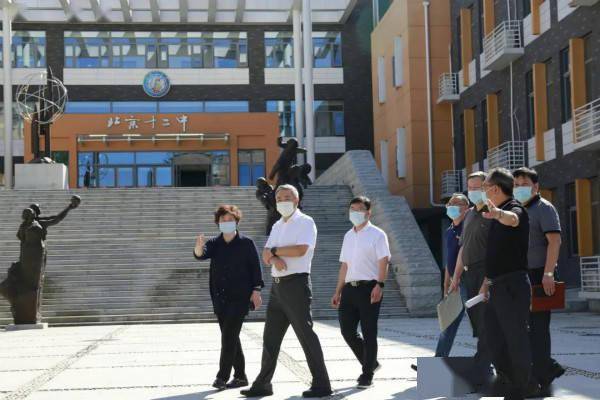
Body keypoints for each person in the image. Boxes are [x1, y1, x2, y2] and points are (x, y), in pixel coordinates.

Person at [241, 184, 332, 398]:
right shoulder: (277, 224)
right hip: (277, 286)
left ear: (297, 200)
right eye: (279, 198)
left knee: (306, 335)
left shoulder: (305, 222)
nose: (283, 201)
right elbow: (265, 253)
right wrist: (274, 258)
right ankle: (263, 384)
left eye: (287, 197)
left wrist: (274, 251)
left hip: (296, 285)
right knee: (270, 338)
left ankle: (322, 384)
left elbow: (300, 250)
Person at [194, 205, 264, 391]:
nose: (226, 223)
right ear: (218, 222)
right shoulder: (214, 243)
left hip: (240, 298)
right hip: (219, 297)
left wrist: (256, 290)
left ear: (236, 221)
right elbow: (201, 255)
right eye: (223, 220)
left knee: (228, 337)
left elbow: (256, 268)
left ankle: (222, 377)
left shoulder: (247, 243)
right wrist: (198, 248)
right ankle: (240, 376)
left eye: (230, 220)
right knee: (231, 337)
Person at [478, 168, 533, 400]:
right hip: (496, 285)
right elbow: (495, 254)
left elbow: (513, 220)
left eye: (484, 187)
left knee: (515, 338)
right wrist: (486, 283)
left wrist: (499, 213)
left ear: (495, 189)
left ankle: (521, 389)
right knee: (493, 338)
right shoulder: (495, 216)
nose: (482, 191)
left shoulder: (514, 209)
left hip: (513, 285)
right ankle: (509, 380)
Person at [513, 167, 565, 394]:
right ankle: (546, 368)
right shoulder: (518, 209)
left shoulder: (544, 208)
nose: (519, 188)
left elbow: (554, 242)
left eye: (524, 184)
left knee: (539, 328)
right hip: (522, 275)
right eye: (516, 185)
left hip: (539, 276)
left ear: (535, 186)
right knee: (525, 328)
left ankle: (542, 375)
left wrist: (548, 274)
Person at [331, 196, 391, 389]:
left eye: (359, 209)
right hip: (349, 289)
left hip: (369, 288)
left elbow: (383, 261)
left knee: (369, 331)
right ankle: (371, 362)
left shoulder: (377, 234)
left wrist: (380, 285)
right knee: (347, 331)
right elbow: (345, 265)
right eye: (352, 209)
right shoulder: (348, 236)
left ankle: (367, 374)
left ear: (368, 213)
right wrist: (338, 291)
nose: (355, 212)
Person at [449, 171, 493, 384]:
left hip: (485, 272)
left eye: (478, 187)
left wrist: (487, 281)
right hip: (469, 274)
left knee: (486, 323)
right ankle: (486, 365)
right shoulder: (470, 215)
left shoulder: (493, 213)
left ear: (488, 188)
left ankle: (482, 368)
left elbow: (496, 251)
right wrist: (456, 277)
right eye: (470, 188)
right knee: (477, 323)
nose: (473, 191)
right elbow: (463, 248)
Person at [434, 193, 469, 357]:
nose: (452, 206)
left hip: (468, 280)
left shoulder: (468, 228)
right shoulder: (449, 231)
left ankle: (487, 364)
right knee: (448, 323)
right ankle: (438, 360)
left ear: (466, 208)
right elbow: (450, 258)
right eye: (450, 203)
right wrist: (446, 282)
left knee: (480, 325)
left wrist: (455, 279)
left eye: (457, 203)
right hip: (455, 283)